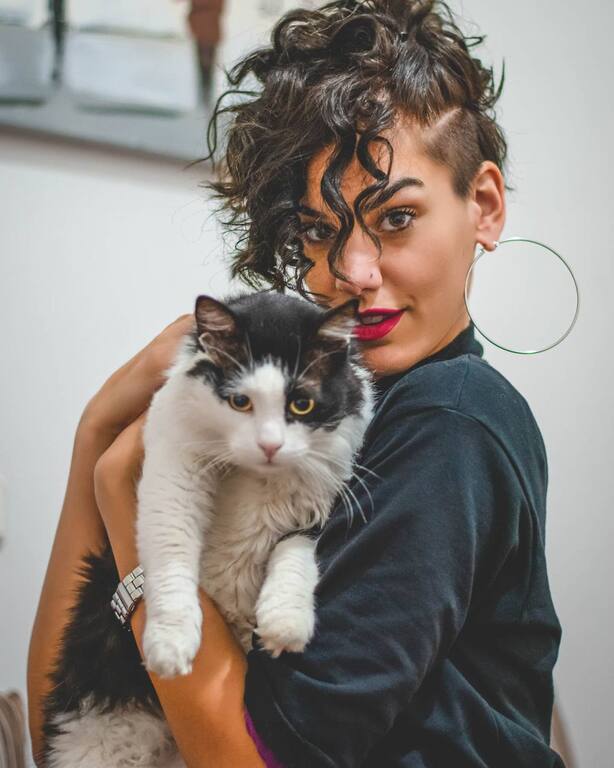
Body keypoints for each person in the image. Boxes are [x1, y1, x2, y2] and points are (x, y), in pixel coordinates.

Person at [27, 1, 564, 766]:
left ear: (483, 205)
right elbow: (62, 729)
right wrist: (97, 434)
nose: (353, 272)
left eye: (397, 218)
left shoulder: (450, 421)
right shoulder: (303, 425)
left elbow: (256, 759)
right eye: (319, 230)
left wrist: (123, 499)